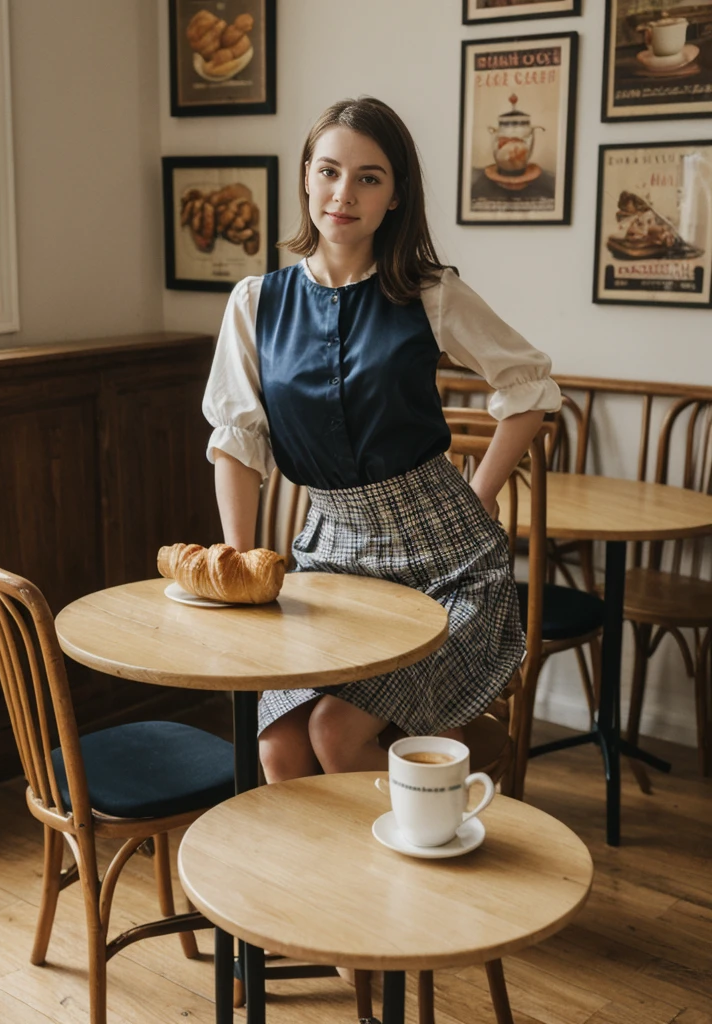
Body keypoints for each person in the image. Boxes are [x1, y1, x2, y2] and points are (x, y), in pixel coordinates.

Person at [202, 96, 561, 784]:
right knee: (278, 747)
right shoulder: (255, 301)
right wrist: (242, 563)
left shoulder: (428, 292)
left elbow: (530, 388)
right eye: (330, 171)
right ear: (306, 176)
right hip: (331, 559)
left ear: (396, 196)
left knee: (336, 735)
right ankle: (332, 886)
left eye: (369, 177)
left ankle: (424, 856)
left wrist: (481, 491)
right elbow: (236, 442)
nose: (344, 194)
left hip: (450, 566)